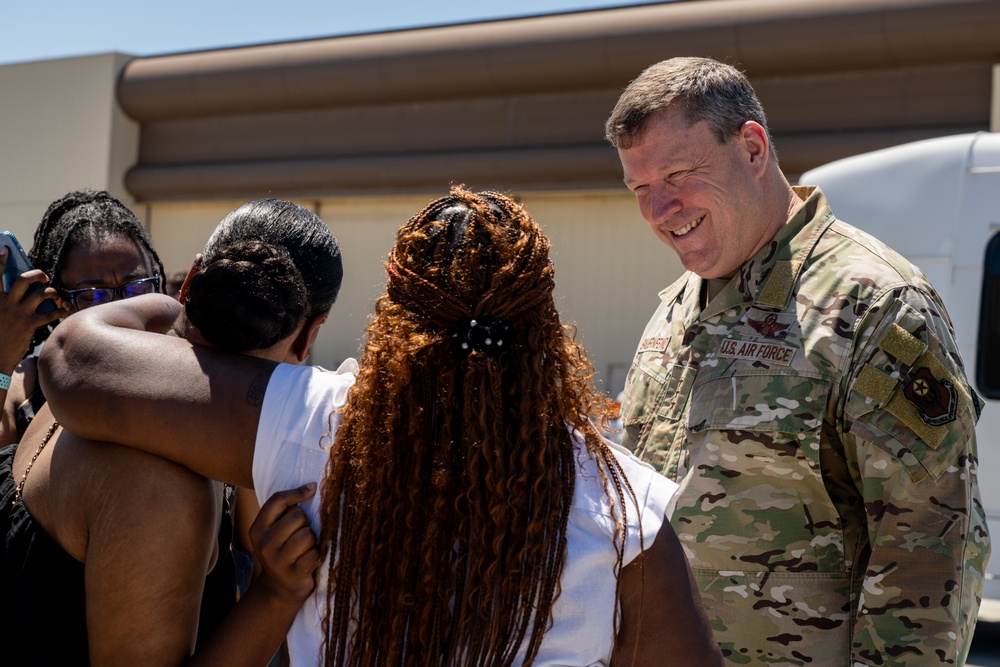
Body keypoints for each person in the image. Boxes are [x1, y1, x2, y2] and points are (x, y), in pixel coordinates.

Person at [39, 187, 723, 667]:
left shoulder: (314, 422)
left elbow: (73, 361)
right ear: (544, 327)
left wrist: (165, 301)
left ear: (393, 313)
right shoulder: (626, 506)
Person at [603, 56, 990, 665]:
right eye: (641, 189)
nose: (658, 211)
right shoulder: (677, 307)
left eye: (677, 175)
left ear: (753, 149)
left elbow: (930, 553)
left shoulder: (872, 306)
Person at [1, 197, 342, 664]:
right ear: (308, 336)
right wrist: (275, 597)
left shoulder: (96, 383)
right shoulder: (160, 483)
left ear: (191, 282)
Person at [0, 189, 165, 447]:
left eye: (137, 288)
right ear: (59, 303)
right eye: (95, 295)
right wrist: (3, 360)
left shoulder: (189, 367)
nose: (121, 309)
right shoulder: (27, 386)